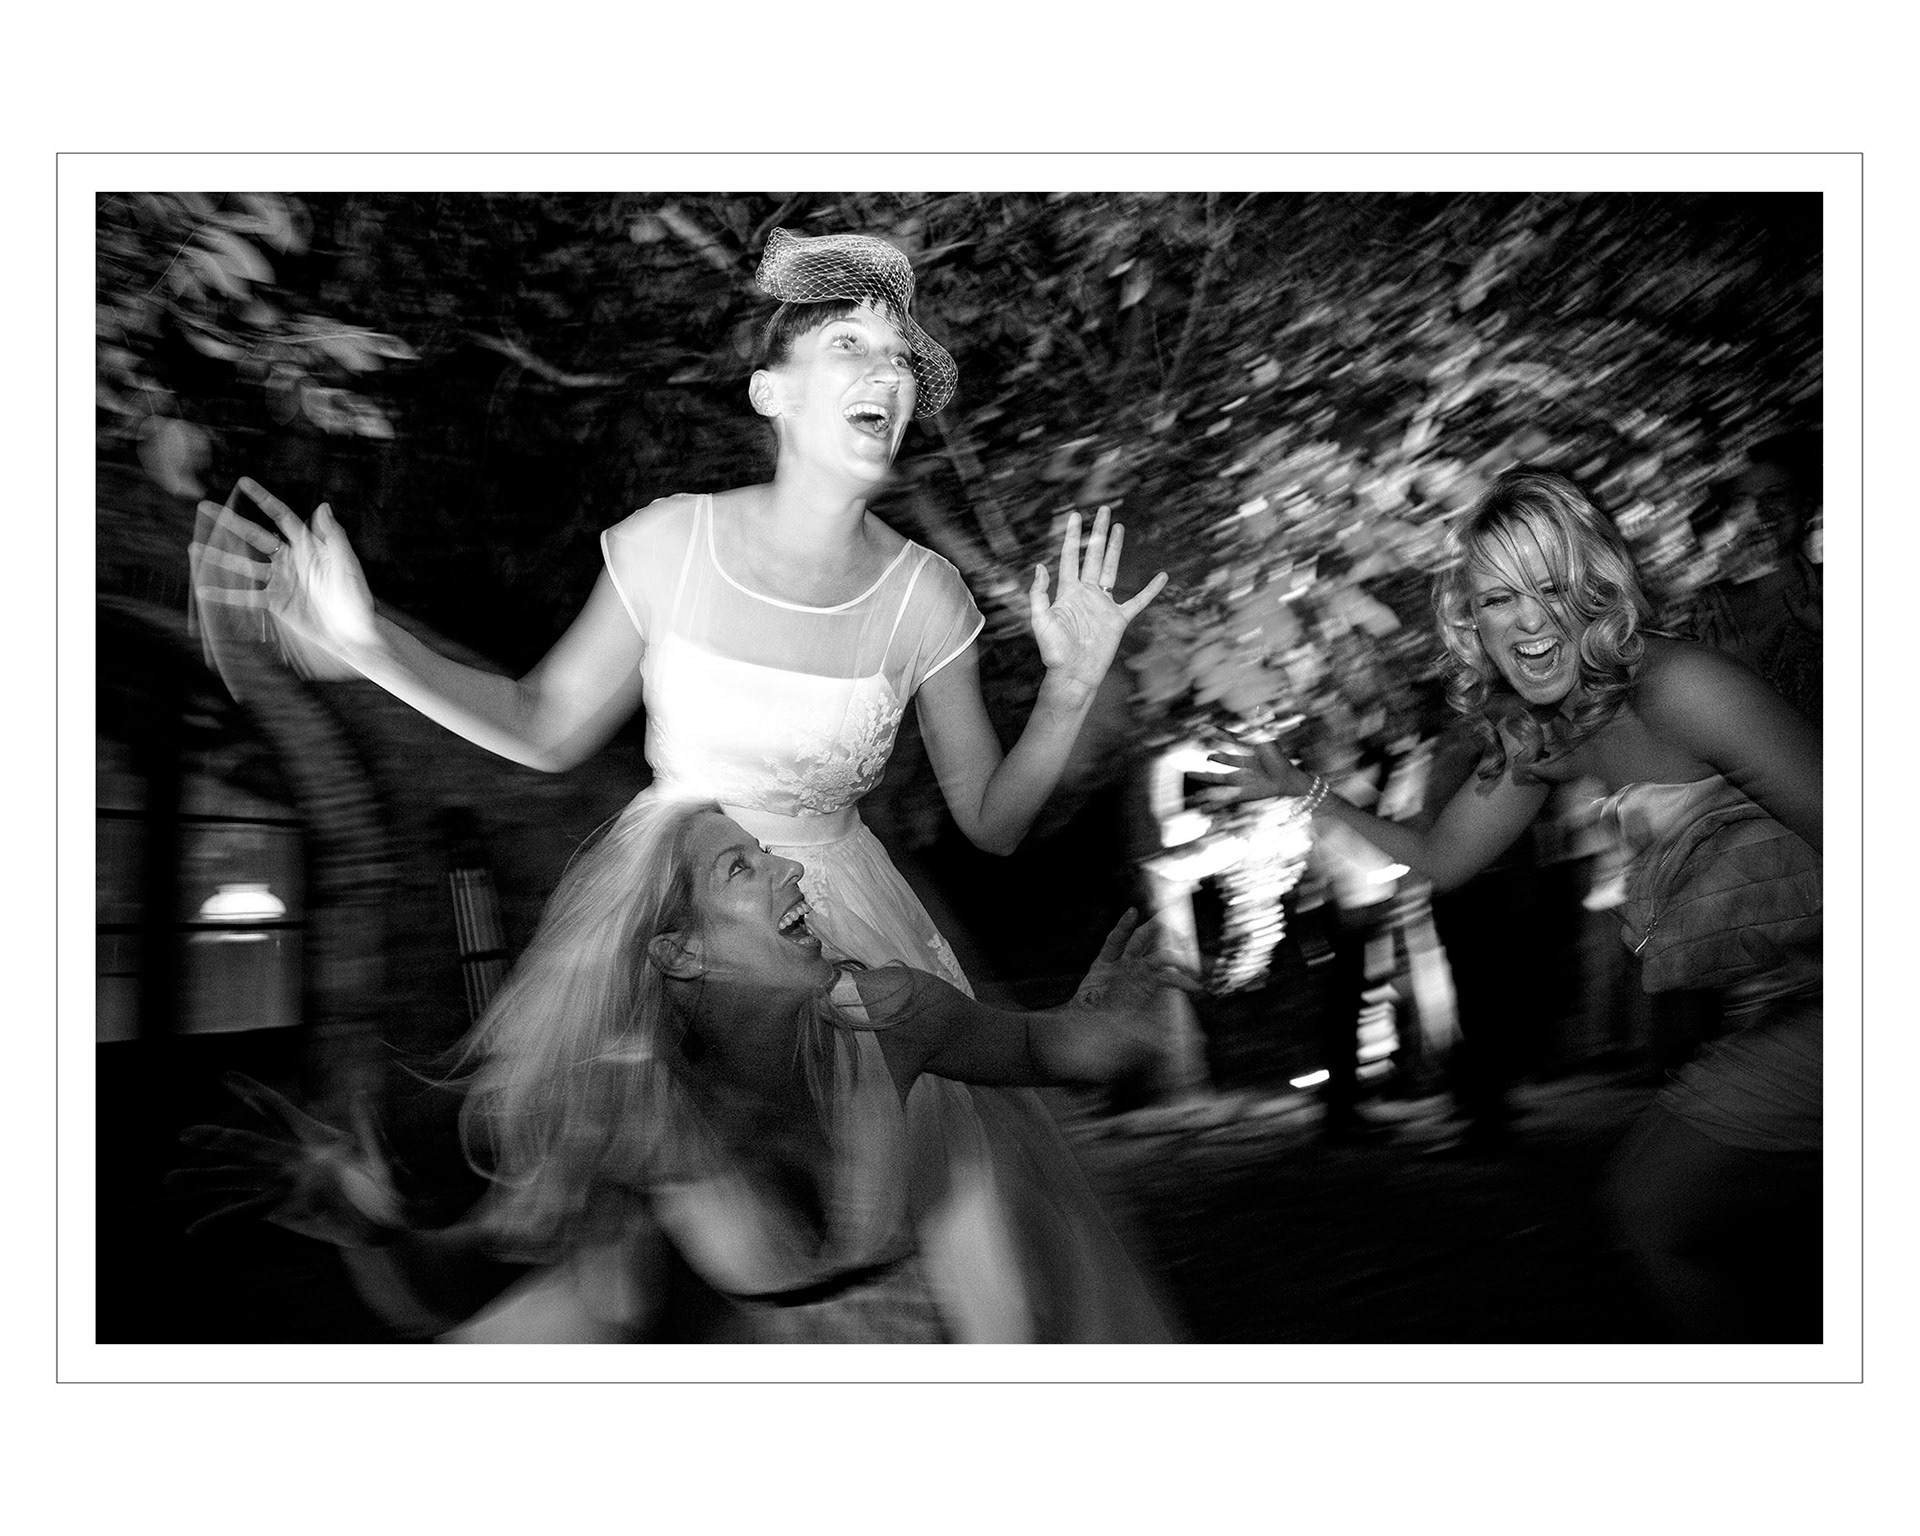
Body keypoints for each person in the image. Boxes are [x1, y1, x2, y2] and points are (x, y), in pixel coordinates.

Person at [189, 228, 1171, 1341]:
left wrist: (1070, 687)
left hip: (844, 922)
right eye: (851, 346)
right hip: (680, 904)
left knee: (946, 1241)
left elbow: (991, 823)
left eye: (901, 358)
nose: (889, 373)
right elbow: (544, 725)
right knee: (637, 1214)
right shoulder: (672, 544)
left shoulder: (927, 596)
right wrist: (371, 644)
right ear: (771, 391)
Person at [178, 796, 1196, 1342]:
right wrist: (372, 1229)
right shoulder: (630, 1104)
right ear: (680, 951)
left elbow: (1039, 1049)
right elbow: (466, 1278)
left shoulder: (895, 1018)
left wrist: (1101, 1027)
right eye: (743, 867)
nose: (792, 868)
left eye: (768, 852)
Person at [1223, 466, 1822, 1341]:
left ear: (1598, 589)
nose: (1530, 621)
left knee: (1660, 1210)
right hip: (1779, 1011)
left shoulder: (1684, 687)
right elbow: (1443, 858)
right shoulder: (1545, 731)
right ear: (1472, 619)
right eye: (1500, 598)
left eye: (1552, 588)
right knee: (1682, 1220)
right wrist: (1308, 792)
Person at [1682, 430, 1822, 724]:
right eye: (1742, 501)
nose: (1759, 510)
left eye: (1775, 495)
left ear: (1805, 505)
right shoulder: (1707, 609)